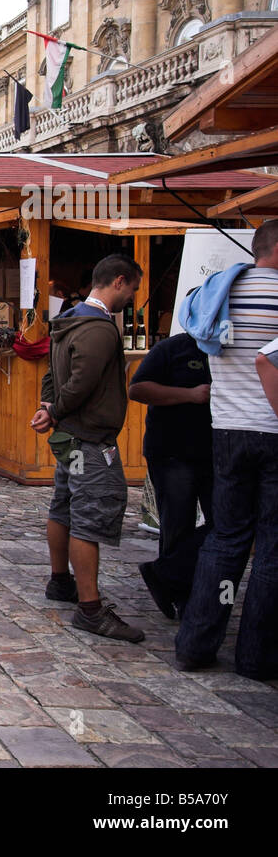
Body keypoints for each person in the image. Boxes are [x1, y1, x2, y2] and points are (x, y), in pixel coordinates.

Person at [176, 219, 278, 679]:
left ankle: (196, 644)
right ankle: (257, 657)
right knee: (272, 548)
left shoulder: (220, 292)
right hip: (273, 428)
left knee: (226, 537)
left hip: (228, 428)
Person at [30, 253, 144, 643]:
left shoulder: (70, 319)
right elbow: (80, 382)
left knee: (64, 507)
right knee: (89, 516)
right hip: (91, 438)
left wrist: (49, 408)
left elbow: (53, 375)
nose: (132, 297)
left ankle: (61, 582)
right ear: (118, 281)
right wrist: (55, 410)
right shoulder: (99, 328)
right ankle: (90, 609)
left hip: (71, 436)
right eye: (132, 289)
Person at [128, 333, 212, 620]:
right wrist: (190, 395)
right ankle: (180, 596)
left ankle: (165, 574)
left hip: (216, 452)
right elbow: (137, 389)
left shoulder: (227, 349)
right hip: (172, 451)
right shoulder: (172, 348)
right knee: (178, 523)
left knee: (226, 523)